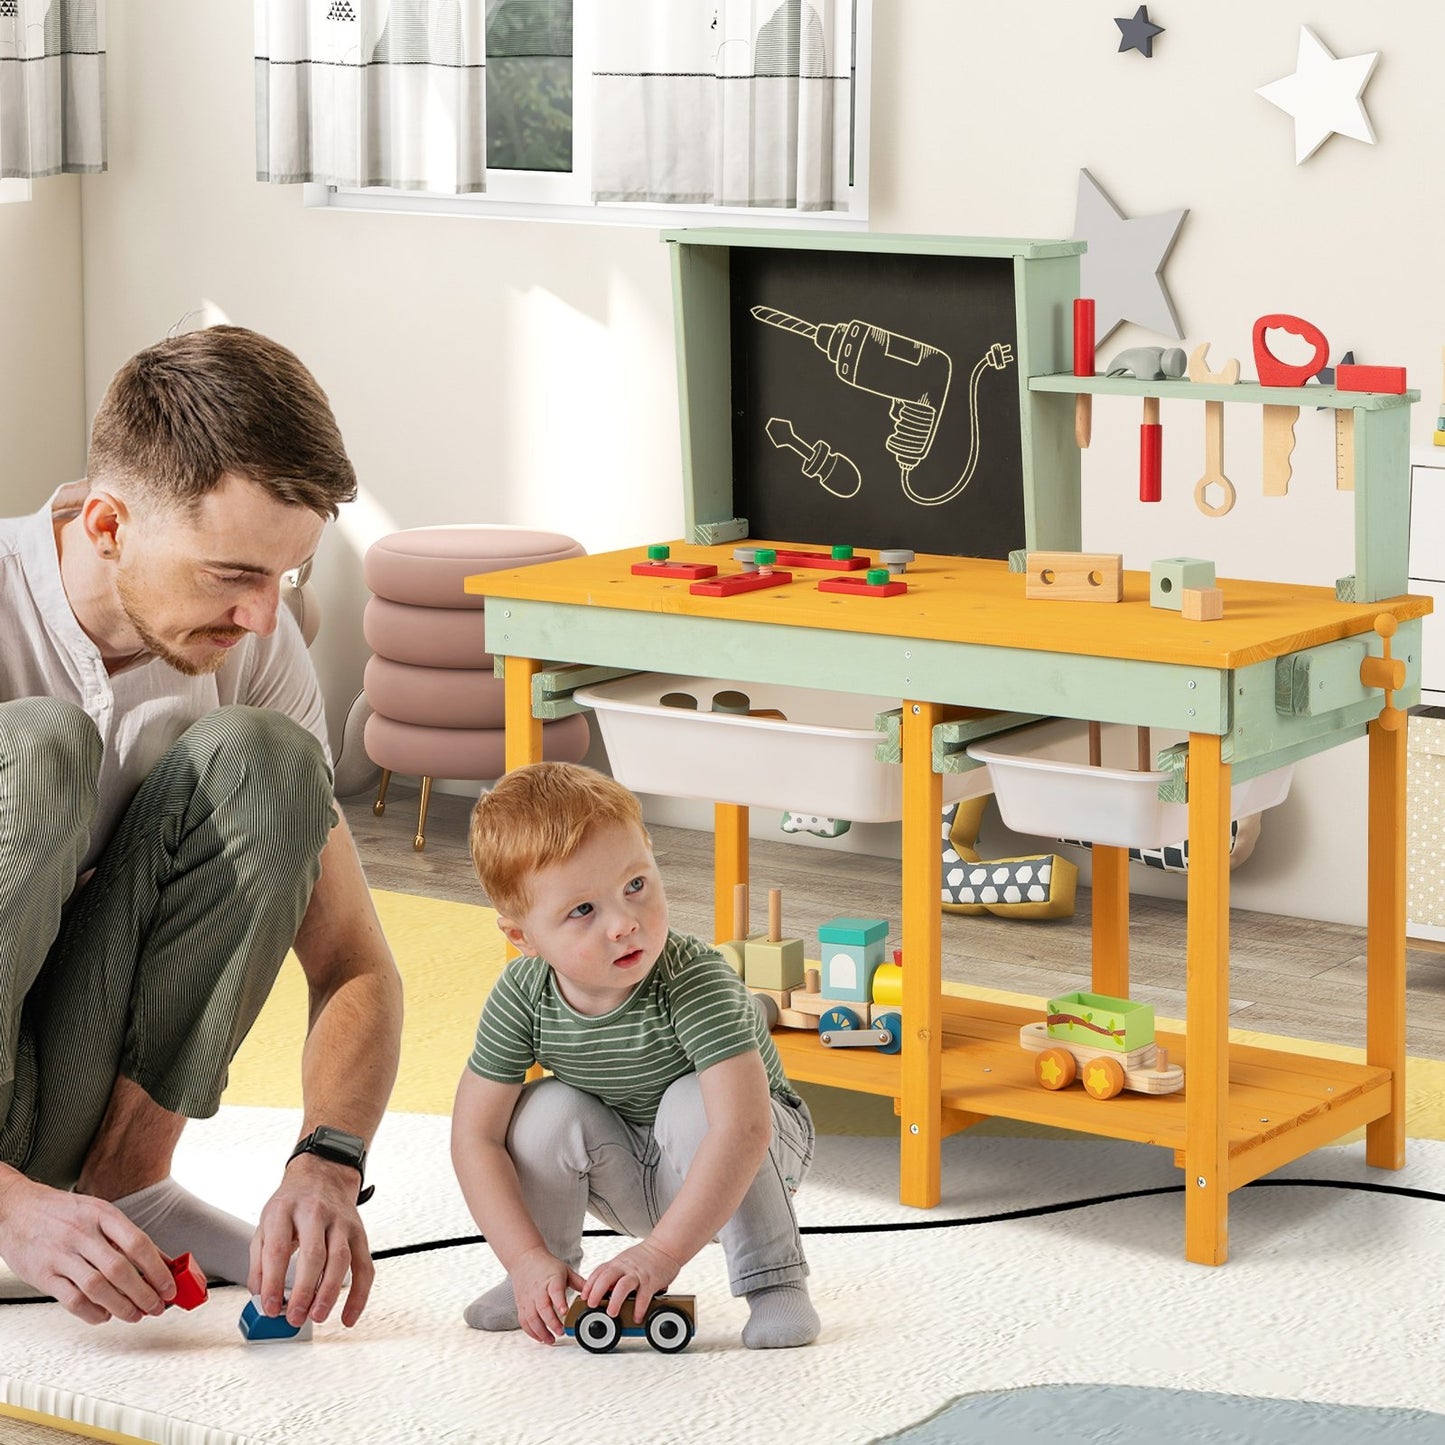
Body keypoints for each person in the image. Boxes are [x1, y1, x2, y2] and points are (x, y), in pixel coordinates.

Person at [0, 326, 404, 1331]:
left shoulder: (252, 648)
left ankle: (123, 1182)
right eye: (231, 573)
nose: (263, 618)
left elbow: (356, 961)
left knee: (268, 760)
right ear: (106, 523)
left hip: (59, 1105)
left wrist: (329, 1158)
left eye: (286, 578)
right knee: (41, 752)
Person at [451, 760, 819, 1350]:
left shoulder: (693, 977)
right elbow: (474, 1138)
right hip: (630, 1166)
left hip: (755, 1150)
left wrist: (660, 1256)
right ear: (523, 937)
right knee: (543, 1106)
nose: (625, 923)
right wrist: (522, 1257)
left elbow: (745, 1127)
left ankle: (775, 1283)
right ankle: (544, 1284)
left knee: (689, 1098)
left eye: (636, 886)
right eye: (582, 911)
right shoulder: (522, 996)